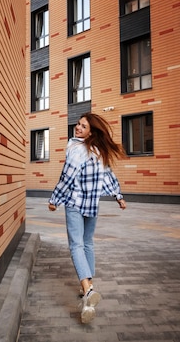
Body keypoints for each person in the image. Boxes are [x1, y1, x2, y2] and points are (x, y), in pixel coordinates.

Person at [48, 112, 127, 324]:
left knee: (76, 245)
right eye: (78, 124)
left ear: (91, 131)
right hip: (92, 205)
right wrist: (118, 196)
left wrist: (55, 199)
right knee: (88, 243)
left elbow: (67, 176)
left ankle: (88, 290)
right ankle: (87, 290)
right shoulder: (98, 151)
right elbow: (108, 176)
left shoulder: (76, 149)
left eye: (83, 126)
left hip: (74, 203)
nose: (78, 128)